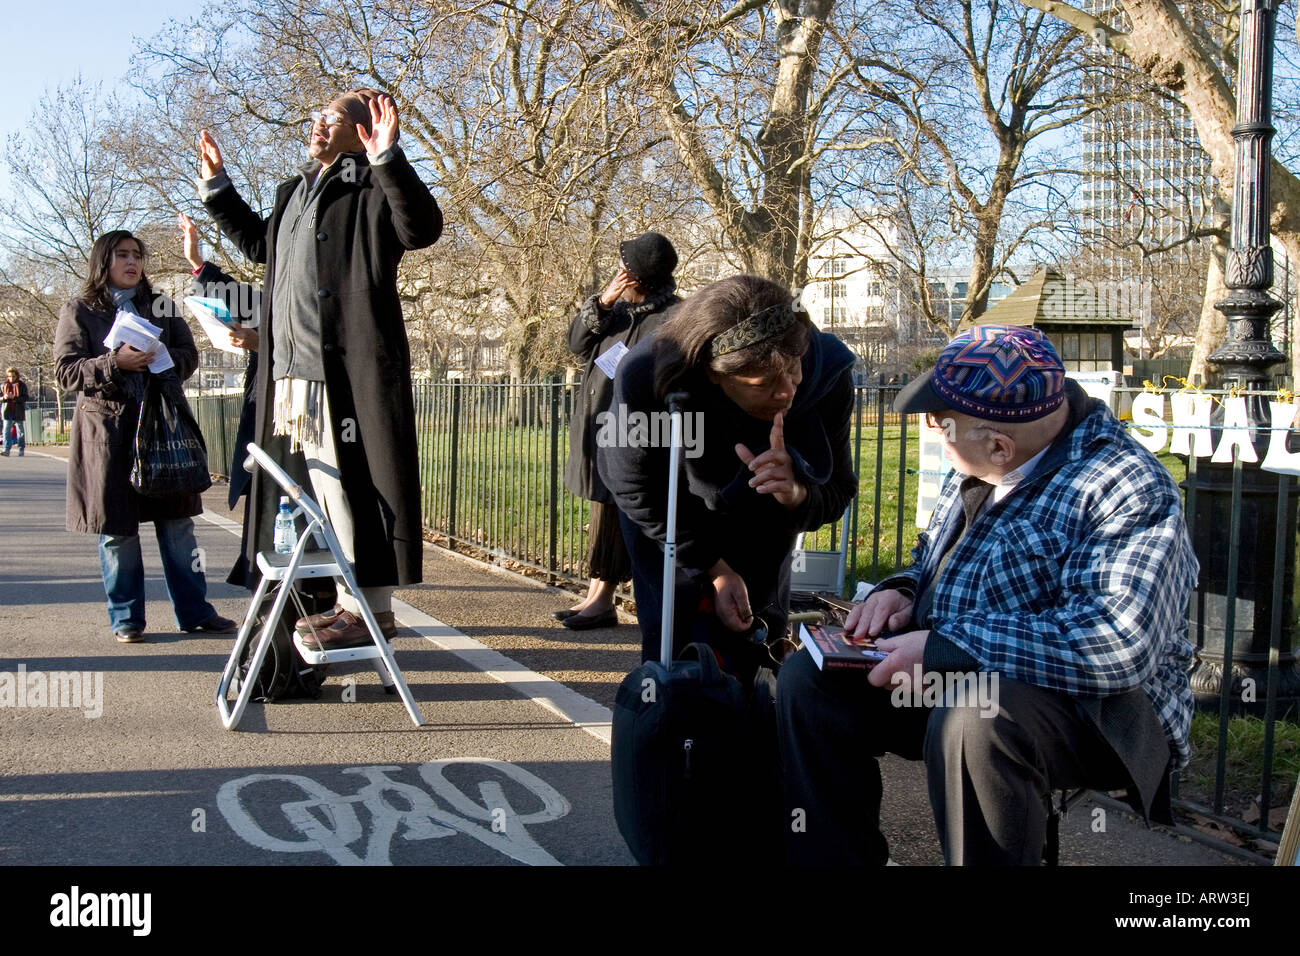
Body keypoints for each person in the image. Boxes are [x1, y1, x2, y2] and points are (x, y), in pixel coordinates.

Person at [776, 324, 1198, 865]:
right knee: (812, 682)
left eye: (941, 421)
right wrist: (903, 593)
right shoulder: (981, 457)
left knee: (975, 716)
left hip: (1099, 710)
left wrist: (951, 647)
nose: (930, 426)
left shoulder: (1126, 486)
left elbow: (1116, 645)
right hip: (960, 671)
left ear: (1000, 444)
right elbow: (937, 564)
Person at [197, 89, 442, 649]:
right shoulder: (294, 191)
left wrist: (388, 159)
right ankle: (336, 603)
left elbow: (422, 229)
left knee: (355, 490)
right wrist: (219, 188)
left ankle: (369, 613)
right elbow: (261, 246)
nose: (317, 125)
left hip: (343, 377)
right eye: (315, 116)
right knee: (313, 499)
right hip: (287, 378)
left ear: (363, 130)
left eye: (332, 118)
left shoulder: (371, 186)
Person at [599, 274, 858, 671]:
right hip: (673, 527)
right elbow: (631, 484)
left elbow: (838, 491)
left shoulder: (828, 373)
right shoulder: (648, 374)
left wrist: (797, 493)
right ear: (714, 373)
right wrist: (713, 569)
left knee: (756, 653)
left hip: (764, 534)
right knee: (681, 658)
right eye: (764, 383)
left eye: (793, 369)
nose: (787, 391)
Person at [53, 230, 237, 643]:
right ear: (104, 262)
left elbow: (190, 355)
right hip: (109, 437)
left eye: (137, 255)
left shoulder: (161, 307)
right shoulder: (79, 309)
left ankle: (195, 612)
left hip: (162, 430)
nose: (132, 262)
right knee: (118, 534)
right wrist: (114, 362)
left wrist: (164, 359)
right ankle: (127, 621)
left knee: (178, 527)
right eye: (122, 255)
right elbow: (66, 371)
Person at [559, 232, 681, 630]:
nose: (617, 277)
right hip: (597, 425)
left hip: (632, 432)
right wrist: (603, 302)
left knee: (615, 511)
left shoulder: (674, 317)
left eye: (624, 272)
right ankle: (595, 594)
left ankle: (603, 600)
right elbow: (575, 343)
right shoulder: (618, 311)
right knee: (601, 509)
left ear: (639, 279)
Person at [2, 368, 28, 456]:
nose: (11, 378)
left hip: (18, 410)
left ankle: (21, 448)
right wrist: (4, 398)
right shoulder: (3, 385)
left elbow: (25, 398)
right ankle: (6, 449)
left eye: (13, 376)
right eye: (9, 376)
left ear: (16, 376)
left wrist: (14, 398)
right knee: (6, 430)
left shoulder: (22, 385)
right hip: (7, 410)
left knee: (20, 430)